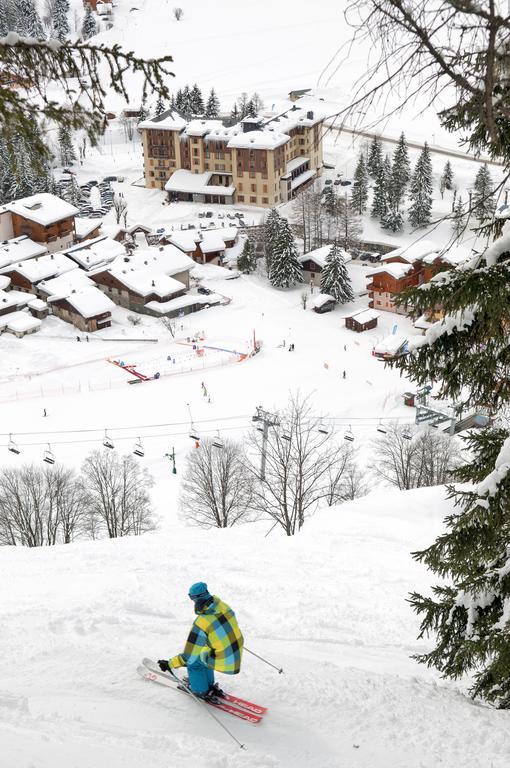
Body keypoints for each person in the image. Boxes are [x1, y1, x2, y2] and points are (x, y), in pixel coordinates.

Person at [158, 582, 244, 701]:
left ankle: (200, 690)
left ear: (195, 598)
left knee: (194, 662)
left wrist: (169, 664)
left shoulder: (202, 623)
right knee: (204, 653)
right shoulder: (224, 606)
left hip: (226, 661)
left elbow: (188, 657)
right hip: (235, 651)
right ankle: (207, 684)